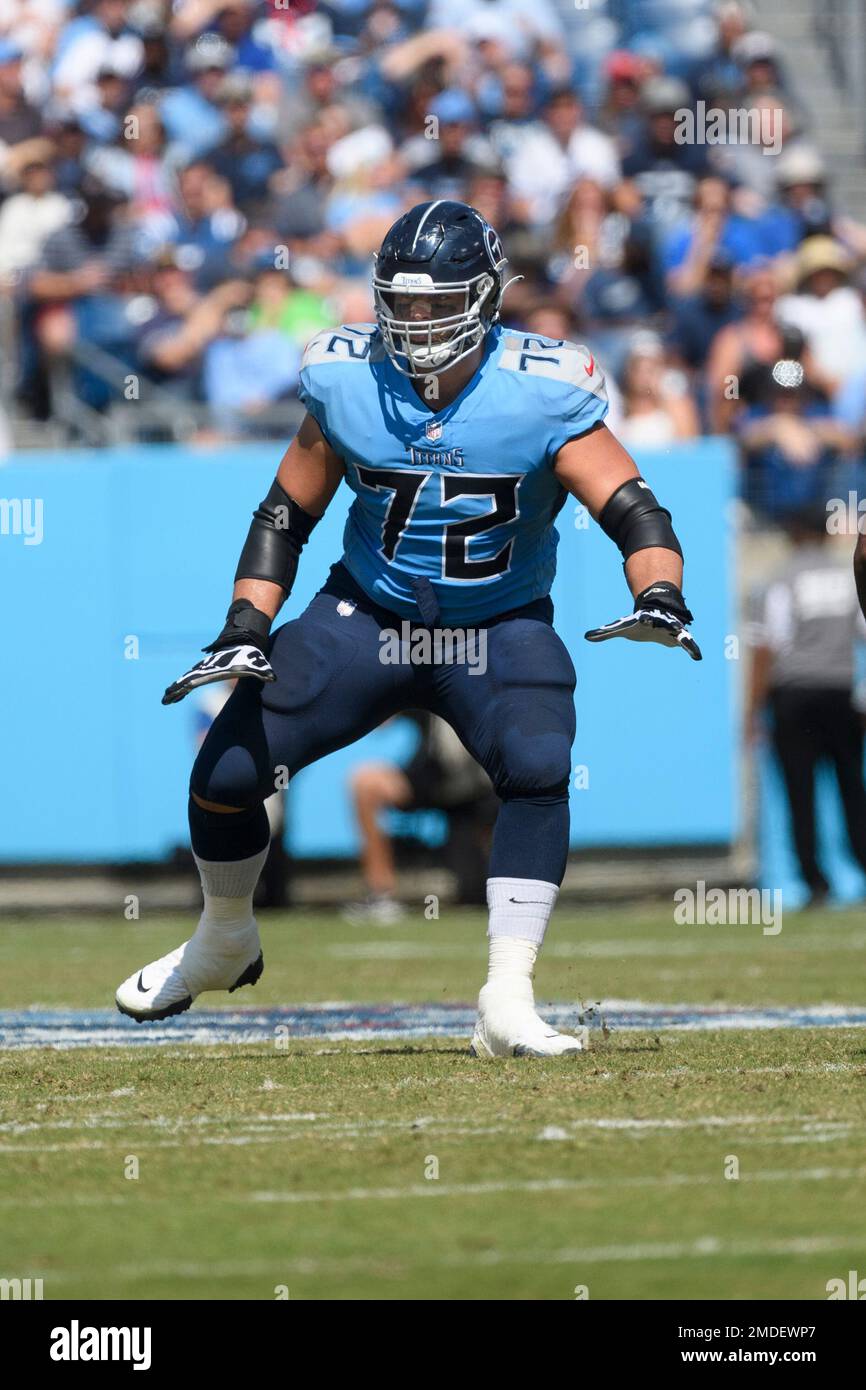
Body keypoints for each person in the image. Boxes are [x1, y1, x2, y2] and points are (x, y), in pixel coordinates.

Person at [115, 199, 701, 1058]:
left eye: (437, 303)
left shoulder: (542, 388)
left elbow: (633, 510)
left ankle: (507, 993)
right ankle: (225, 935)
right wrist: (245, 624)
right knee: (229, 769)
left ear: (487, 296)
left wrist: (662, 597)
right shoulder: (348, 375)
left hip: (496, 626)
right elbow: (286, 511)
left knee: (538, 763)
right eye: (404, 301)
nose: (416, 323)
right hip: (368, 615)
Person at [747, 508, 866, 906]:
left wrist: (752, 709)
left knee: (800, 791)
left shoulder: (782, 578)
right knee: (852, 786)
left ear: (795, 533)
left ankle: (815, 881)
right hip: (839, 692)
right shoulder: (848, 577)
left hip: (794, 694)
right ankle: (862, 863)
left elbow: (768, 644)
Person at [344, 711, 497, 922]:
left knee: (475, 891)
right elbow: (381, 719)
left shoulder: (494, 686)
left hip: (484, 788)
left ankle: (527, 894)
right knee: (366, 785)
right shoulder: (431, 683)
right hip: (433, 781)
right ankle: (381, 894)